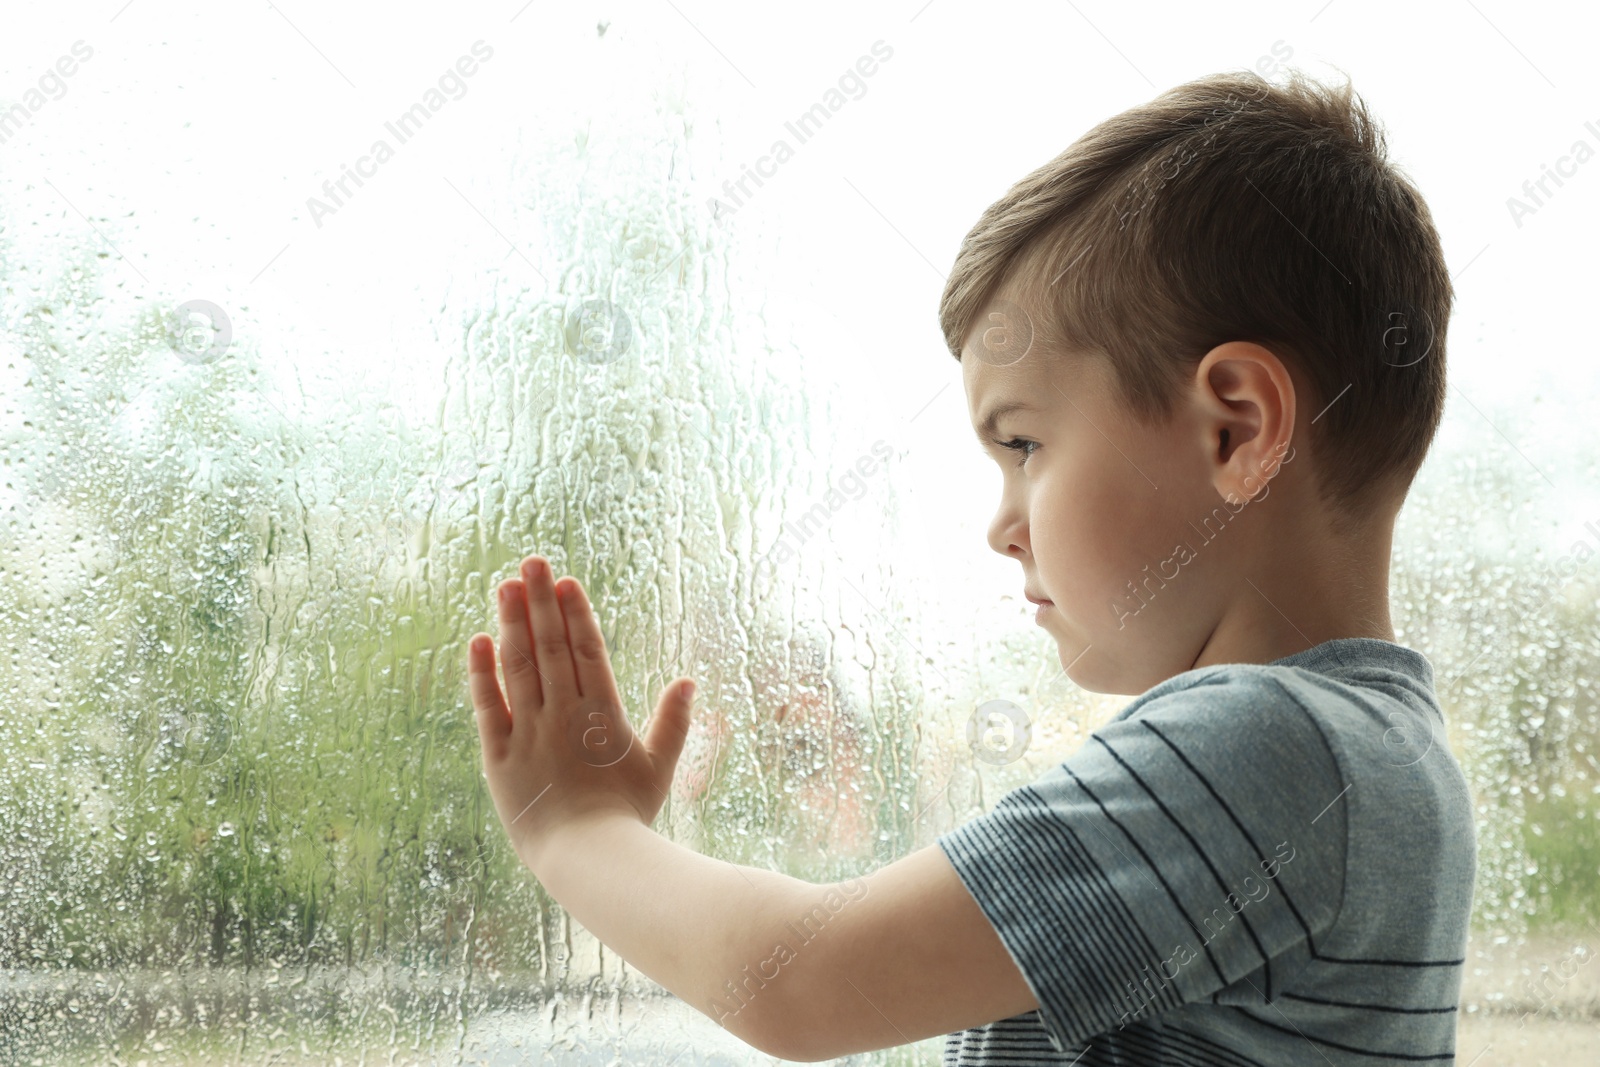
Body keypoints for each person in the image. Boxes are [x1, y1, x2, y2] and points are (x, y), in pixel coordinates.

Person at [465, 65, 1476, 1065]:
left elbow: (799, 981)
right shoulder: (1390, 754)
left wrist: (578, 828)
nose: (1002, 525)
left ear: (1234, 429)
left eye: (1025, 446)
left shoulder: (1265, 748)